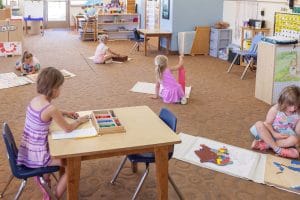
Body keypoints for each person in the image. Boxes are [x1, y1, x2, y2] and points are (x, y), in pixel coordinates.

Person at [16, 67, 90, 199]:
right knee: (71, 165)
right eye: (60, 87)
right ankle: (52, 196)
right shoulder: (51, 109)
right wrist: (80, 121)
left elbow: (49, 112)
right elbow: (68, 128)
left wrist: (66, 113)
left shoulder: (36, 100)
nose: (60, 90)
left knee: (58, 150)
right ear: (54, 89)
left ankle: (45, 180)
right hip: (39, 155)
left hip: (28, 149)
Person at [250, 85, 300, 159]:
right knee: (259, 124)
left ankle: (266, 145)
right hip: (270, 133)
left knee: (295, 139)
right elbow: (267, 123)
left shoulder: (298, 113)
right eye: (290, 105)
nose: (293, 109)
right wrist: (275, 134)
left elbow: (297, 132)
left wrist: (297, 144)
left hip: (283, 138)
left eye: (296, 106)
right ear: (283, 102)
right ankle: (278, 150)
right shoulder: (275, 109)